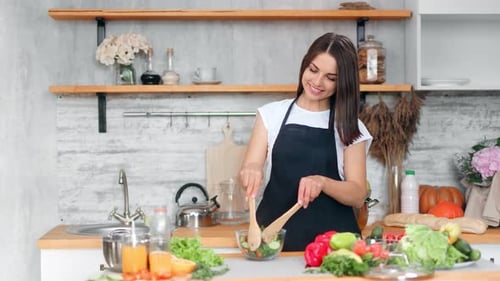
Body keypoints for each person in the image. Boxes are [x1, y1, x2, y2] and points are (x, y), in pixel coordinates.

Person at [239, 32, 373, 251]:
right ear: (304, 65)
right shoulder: (270, 115)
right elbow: (250, 166)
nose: (317, 82)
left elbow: (358, 194)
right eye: (313, 70)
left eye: (331, 78)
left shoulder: (350, 125)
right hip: (274, 242)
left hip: (334, 248)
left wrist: (323, 182)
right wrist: (251, 170)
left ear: (343, 83)